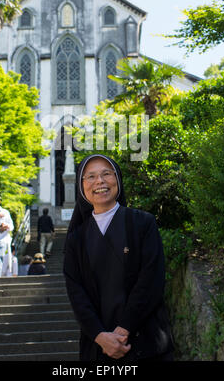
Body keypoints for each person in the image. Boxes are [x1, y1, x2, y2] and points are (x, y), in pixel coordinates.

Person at [63, 154, 174, 362]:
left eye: (106, 174)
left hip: (145, 342)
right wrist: (100, 336)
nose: (100, 182)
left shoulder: (143, 224)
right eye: (91, 177)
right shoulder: (76, 239)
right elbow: (76, 292)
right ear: (81, 185)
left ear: (118, 179)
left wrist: (123, 330)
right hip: (98, 347)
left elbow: (151, 279)